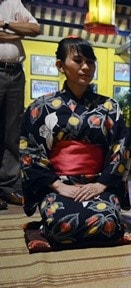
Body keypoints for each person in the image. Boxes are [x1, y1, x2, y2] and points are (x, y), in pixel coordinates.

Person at [19, 37, 131, 248]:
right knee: (62, 225)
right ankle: (49, 222)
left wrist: (100, 184)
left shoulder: (109, 107)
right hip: (58, 184)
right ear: (60, 66)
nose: (86, 67)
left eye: (91, 61)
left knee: (108, 223)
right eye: (78, 61)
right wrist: (59, 186)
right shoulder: (40, 108)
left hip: (97, 184)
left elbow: (121, 150)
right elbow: (30, 153)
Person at [0, 0, 40, 210]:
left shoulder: (12, 3)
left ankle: (6, 188)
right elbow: (22, 32)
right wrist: (17, 31)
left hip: (16, 72)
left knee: (12, 132)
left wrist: (5, 25)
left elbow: (34, 28)